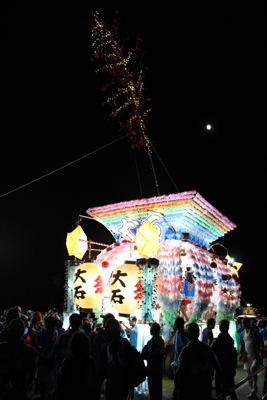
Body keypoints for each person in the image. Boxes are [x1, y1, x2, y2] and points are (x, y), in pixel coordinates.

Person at [172, 322, 224, 400]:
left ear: (187, 335)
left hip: (191, 391)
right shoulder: (206, 348)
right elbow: (216, 367)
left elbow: (179, 373)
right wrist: (223, 383)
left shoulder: (186, 351)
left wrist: (176, 390)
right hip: (205, 389)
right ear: (198, 334)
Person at [0, 318, 37, 399]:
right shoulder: (30, 351)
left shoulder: (2, 348)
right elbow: (32, 375)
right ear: (23, 331)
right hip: (21, 391)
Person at [57, 330, 96, 400]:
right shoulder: (91, 362)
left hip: (70, 393)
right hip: (85, 394)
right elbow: (94, 381)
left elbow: (61, 383)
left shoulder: (66, 362)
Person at [104, 318, 132, 400]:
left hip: (114, 382)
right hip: (125, 382)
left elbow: (115, 364)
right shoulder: (125, 342)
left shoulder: (111, 345)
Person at [211, 319, 238, 400]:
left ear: (220, 327)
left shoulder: (219, 340)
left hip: (221, 368)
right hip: (230, 368)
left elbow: (211, 349)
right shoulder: (230, 339)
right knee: (231, 389)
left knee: (220, 392)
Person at [239, 317, 264, 399]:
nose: (242, 324)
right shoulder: (242, 333)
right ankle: (252, 390)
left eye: (243, 323)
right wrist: (241, 354)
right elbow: (241, 344)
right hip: (246, 355)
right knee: (248, 373)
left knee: (252, 370)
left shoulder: (255, 332)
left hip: (254, 355)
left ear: (246, 323)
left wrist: (260, 352)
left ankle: (255, 386)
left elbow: (261, 342)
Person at [93, 313, 115, 399]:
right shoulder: (117, 335)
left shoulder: (100, 334)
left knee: (97, 386)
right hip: (112, 366)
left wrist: (95, 363)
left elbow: (96, 350)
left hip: (101, 365)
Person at [35, 315, 58, 400]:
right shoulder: (55, 332)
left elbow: (37, 341)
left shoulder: (45, 333)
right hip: (53, 357)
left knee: (43, 379)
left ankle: (43, 397)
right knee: (51, 378)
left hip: (44, 358)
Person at [142, 322, 165, 400]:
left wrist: (148, 367)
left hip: (153, 368)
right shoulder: (161, 340)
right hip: (160, 368)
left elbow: (151, 354)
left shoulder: (153, 341)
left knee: (153, 389)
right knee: (158, 388)